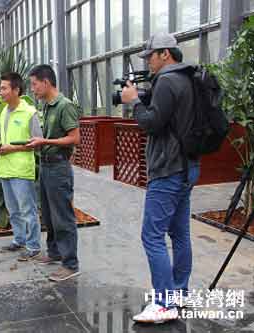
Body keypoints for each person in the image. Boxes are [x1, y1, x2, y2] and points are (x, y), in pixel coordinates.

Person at [121, 33, 200, 324]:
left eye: (151, 56)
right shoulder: (188, 77)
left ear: (165, 54)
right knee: (180, 234)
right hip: (188, 166)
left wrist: (134, 102)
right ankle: (179, 293)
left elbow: (151, 124)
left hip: (168, 169)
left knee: (152, 236)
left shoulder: (167, 80)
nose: (149, 62)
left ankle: (164, 303)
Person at [26, 65, 81, 282]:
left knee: (63, 217)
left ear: (46, 82)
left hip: (58, 168)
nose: (32, 89)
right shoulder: (48, 106)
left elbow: (74, 138)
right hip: (47, 166)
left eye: (34, 84)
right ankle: (54, 252)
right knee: (48, 214)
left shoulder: (64, 106)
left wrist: (44, 141)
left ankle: (70, 263)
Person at [0, 72, 43, 261]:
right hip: (5, 167)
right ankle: (19, 239)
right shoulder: (3, 112)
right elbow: (1, 138)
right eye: (1, 88)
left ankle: (33, 245)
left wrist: (12, 148)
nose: (1, 92)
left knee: (27, 209)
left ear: (16, 90)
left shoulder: (29, 112)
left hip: (22, 170)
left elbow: (37, 142)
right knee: (13, 210)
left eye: (4, 88)